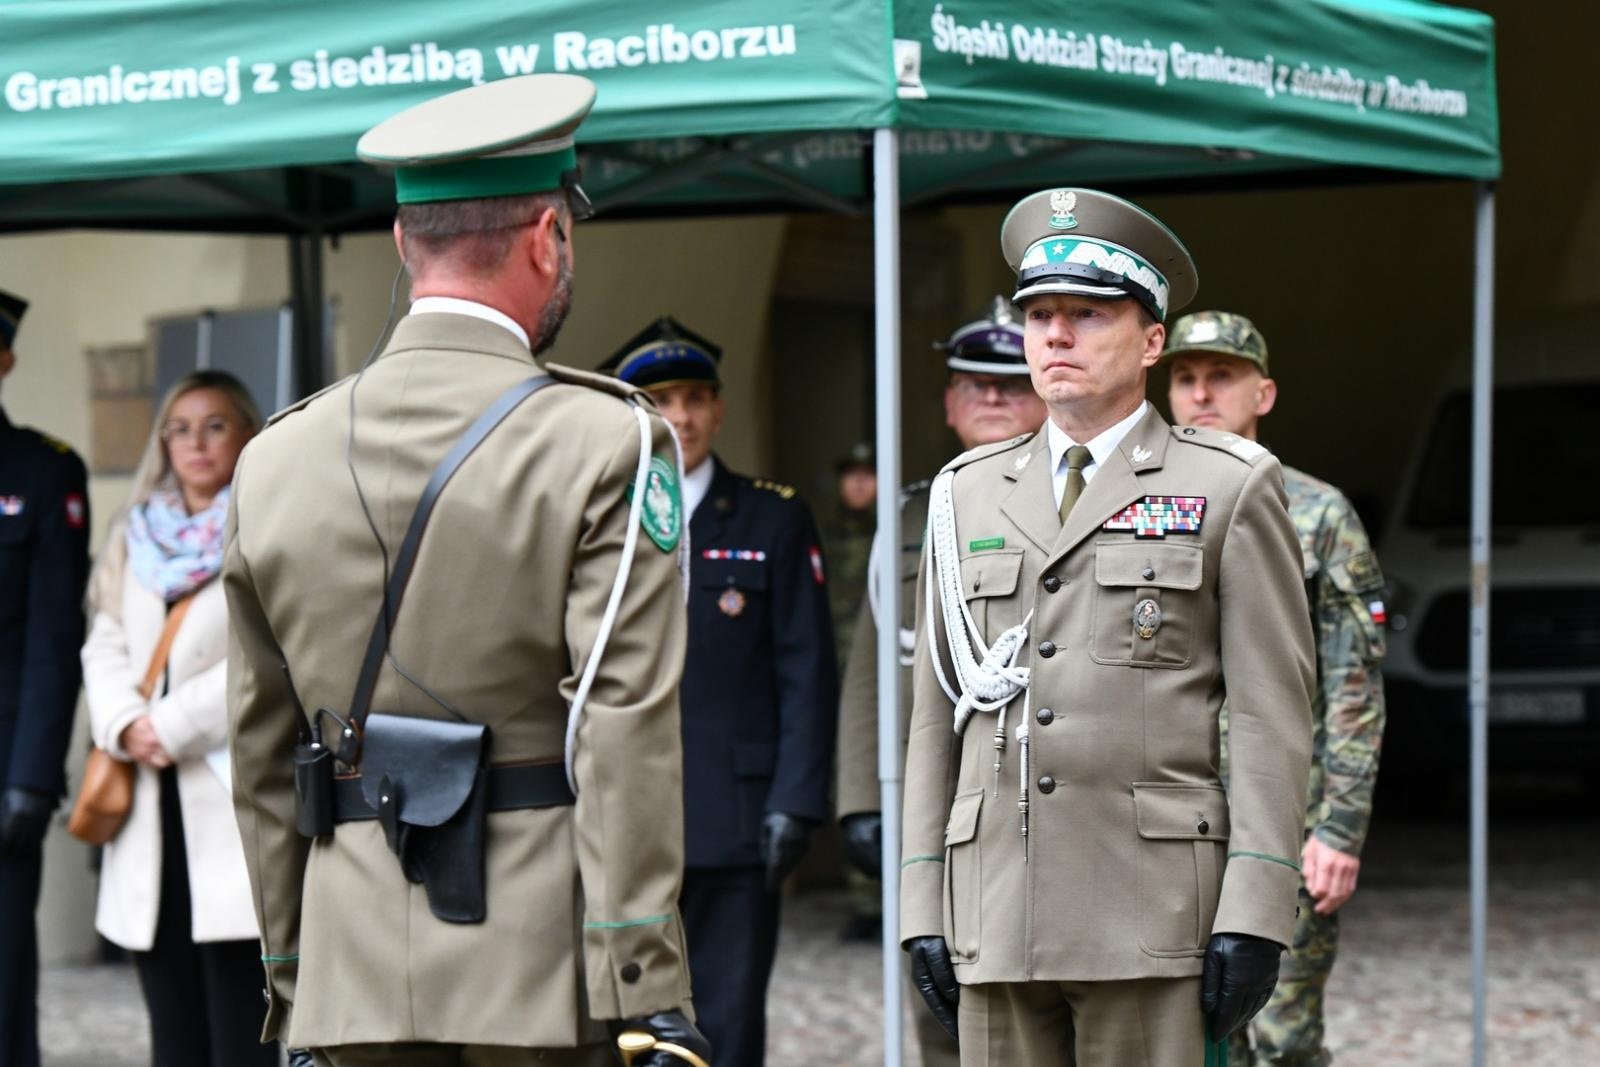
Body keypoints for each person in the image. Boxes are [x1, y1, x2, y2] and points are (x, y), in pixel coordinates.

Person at [224, 74, 704, 1066]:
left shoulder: (274, 454)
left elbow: (262, 748)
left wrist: (294, 974)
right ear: (544, 237)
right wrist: (643, 983)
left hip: (347, 962)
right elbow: (619, 722)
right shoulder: (606, 440)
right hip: (537, 968)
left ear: (405, 242)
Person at [899, 188, 1315, 1066]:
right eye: (1040, 314)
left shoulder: (1229, 487)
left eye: (1086, 314)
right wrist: (919, 900)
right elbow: (936, 718)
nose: (1055, 336)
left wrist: (1257, 904)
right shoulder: (964, 491)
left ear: (1152, 339)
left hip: (1151, 911)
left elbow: (1275, 714)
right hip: (994, 911)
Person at [600, 316, 838, 1067]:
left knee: (727, 1022)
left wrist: (795, 800)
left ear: (720, 408)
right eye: (661, 398)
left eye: (697, 397)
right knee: (624, 1024)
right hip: (619, 818)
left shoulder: (772, 514)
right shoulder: (599, 515)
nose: (682, 417)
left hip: (736, 815)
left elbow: (808, 666)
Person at [1165, 310, 1387, 1066]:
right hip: (1169, 825)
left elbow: (1353, 685)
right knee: (1176, 1039)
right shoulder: (1141, 508)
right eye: (1186, 378)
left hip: (1285, 828)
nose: (1201, 394)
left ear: (1263, 393)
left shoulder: (1319, 515)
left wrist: (1338, 828)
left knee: (1284, 1040)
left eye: (1221, 377)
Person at [835, 296, 1046, 1065]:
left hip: (1037, 792)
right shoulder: (914, 514)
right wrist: (862, 795)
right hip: (935, 800)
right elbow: (872, 670)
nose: (992, 398)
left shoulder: (1077, 501)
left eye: (1010, 382)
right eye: (974, 385)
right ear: (951, 403)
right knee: (941, 1004)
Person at [80, 370, 275, 1067]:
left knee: (241, 1028)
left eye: (216, 424)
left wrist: (171, 723)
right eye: (181, 427)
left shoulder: (267, 522)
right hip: (145, 803)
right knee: (172, 1029)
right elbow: (104, 636)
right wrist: (124, 721)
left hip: (227, 797)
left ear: (248, 431)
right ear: (163, 441)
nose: (196, 441)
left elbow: (271, 652)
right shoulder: (134, 533)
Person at [0, 288, 91, 1067]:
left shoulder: (41, 470)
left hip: (3, 769)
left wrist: (31, 777)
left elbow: (54, 636)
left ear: (5, 359)